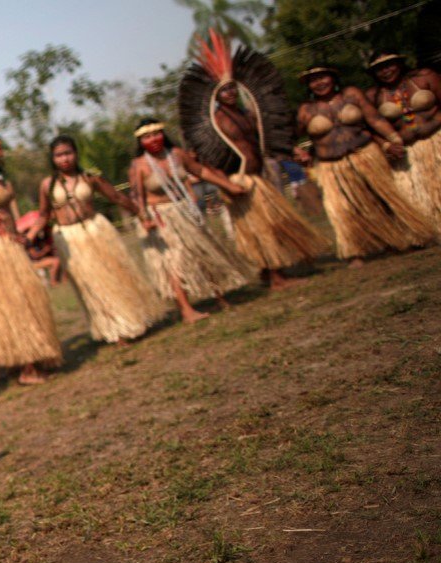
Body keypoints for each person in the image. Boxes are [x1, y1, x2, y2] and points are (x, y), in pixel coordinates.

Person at [179, 31, 330, 289]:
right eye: (223, 89)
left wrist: (293, 150)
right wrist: (227, 184)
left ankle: (270, 272)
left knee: (271, 225)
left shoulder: (246, 113)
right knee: (260, 229)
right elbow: (206, 155)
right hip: (240, 182)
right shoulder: (217, 121)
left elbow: (269, 137)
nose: (229, 93)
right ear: (214, 93)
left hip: (260, 177)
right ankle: (275, 277)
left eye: (231, 88)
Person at [295, 64, 435, 266]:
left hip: (366, 154)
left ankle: (403, 239)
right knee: (341, 210)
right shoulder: (305, 109)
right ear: (308, 85)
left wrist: (393, 139)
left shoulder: (351, 94)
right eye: (314, 80)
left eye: (323, 77)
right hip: (331, 166)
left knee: (386, 198)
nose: (319, 83)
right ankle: (355, 252)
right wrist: (296, 151)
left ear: (333, 78)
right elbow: (289, 135)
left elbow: (374, 119)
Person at [37, 136, 167, 344]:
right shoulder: (47, 185)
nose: (64, 159)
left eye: (68, 153)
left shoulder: (89, 177)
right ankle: (114, 330)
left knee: (114, 277)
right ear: (52, 158)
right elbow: (43, 214)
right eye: (59, 155)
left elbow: (116, 197)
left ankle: (131, 321)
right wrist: (28, 234)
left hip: (96, 231)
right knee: (92, 285)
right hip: (70, 239)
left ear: (76, 153)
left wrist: (141, 214)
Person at [0, 128, 64, 384]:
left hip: (10, 243)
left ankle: (36, 357)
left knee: (29, 298)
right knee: (14, 303)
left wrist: (18, 234)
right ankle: (27, 369)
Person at [129, 118, 253, 323]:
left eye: (156, 134)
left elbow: (200, 171)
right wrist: (144, 219)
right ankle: (186, 310)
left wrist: (227, 186)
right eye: (147, 137)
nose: (153, 140)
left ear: (163, 134)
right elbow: (137, 195)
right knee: (174, 262)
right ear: (140, 141)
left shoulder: (176, 154)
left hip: (184, 210)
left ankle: (219, 297)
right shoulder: (139, 165)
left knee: (203, 252)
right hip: (160, 216)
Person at [366, 50, 441, 224]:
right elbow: (370, 127)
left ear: (399, 63)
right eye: (379, 69)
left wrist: (435, 122)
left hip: (437, 140)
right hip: (407, 153)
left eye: (389, 65)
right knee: (417, 197)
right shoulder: (373, 96)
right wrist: (386, 145)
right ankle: (429, 228)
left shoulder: (425, 77)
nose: (386, 71)